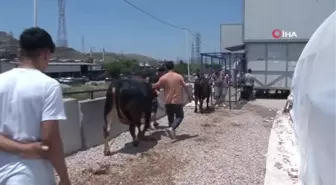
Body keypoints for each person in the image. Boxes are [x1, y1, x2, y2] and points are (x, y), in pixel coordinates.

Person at [0, 27, 70, 185]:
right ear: (45, 53)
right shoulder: (49, 86)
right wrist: (64, 178)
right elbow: (50, 139)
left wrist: (19, 148)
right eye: (49, 57)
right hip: (30, 175)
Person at [152, 61, 193, 139]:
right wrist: (190, 96)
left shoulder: (163, 78)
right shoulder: (178, 76)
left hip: (167, 101)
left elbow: (155, 86)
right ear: (173, 67)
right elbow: (185, 87)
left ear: (166, 68)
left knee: (170, 117)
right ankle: (172, 128)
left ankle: (171, 133)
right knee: (180, 116)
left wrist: (146, 84)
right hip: (177, 101)